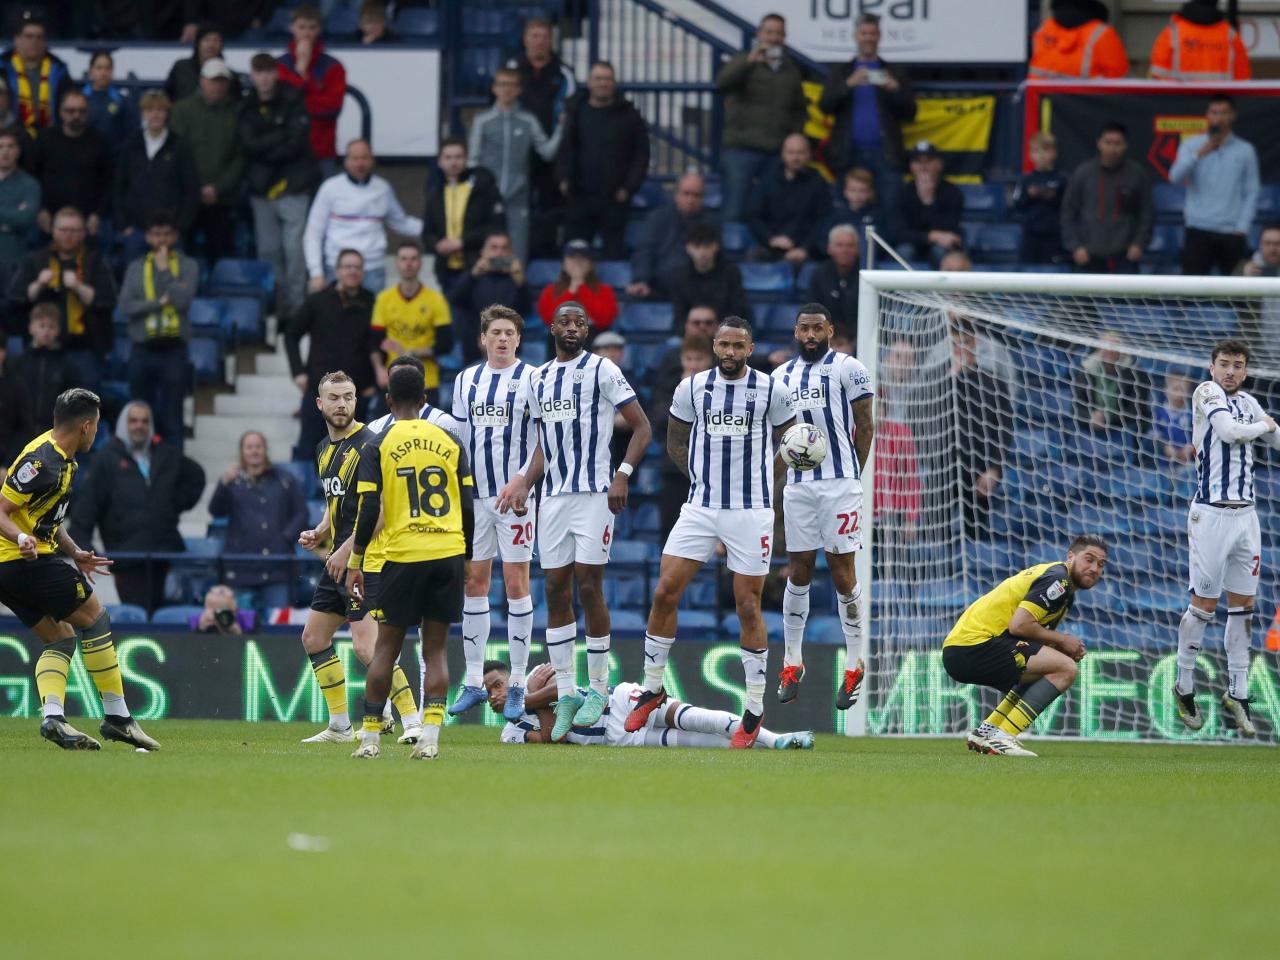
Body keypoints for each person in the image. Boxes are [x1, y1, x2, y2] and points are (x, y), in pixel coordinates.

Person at [623, 316, 794, 747]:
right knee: (665, 591)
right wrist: (701, 478)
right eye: (724, 345)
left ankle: (754, 707)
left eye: (739, 346)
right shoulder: (692, 388)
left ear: (749, 348)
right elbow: (675, 441)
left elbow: (791, 443)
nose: (731, 353)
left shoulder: (772, 389)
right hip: (700, 507)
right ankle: (652, 686)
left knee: (747, 605)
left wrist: (765, 482)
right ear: (714, 346)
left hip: (751, 511)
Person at [498, 301, 652, 740]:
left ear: (588, 329)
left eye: (580, 322)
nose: (572, 327)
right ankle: (566, 691)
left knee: (589, 584)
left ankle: (599, 689)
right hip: (554, 499)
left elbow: (641, 427)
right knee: (555, 588)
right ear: (551, 328)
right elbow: (545, 443)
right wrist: (525, 483)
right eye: (565, 321)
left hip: (594, 495)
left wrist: (622, 475)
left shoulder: (602, 370)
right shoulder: (537, 379)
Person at [0, 387, 160, 751]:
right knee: (95, 617)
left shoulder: (62, 458)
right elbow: (2, 510)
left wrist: (76, 553)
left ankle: (54, 718)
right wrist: (21, 539)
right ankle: (118, 717)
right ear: (87, 426)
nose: (98, 432)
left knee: (61, 638)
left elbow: (46, 519)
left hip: (10, 567)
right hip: (24, 559)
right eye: (98, 425)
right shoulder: (42, 461)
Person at [345, 363, 475, 761]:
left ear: (387, 400)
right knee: (435, 651)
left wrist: (356, 560)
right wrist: (467, 555)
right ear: (424, 400)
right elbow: (468, 505)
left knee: (386, 649)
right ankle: (431, 738)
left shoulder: (376, 443)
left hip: (402, 556)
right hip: (447, 552)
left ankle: (369, 740)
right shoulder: (450, 441)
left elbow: (368, 508)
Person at [295, 370, 422, 745]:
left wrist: (348, 548)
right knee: (314, 638)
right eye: (334, 398)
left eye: (348, 396)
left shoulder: (371, 444)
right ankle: (339, 726)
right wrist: (320, 530)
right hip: (339, 560)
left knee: (369, 648)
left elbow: (383, 509)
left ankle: (412, 720)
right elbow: (337, 504)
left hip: (368, 561)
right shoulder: (323, 450)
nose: (342, 404)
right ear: (320, 403)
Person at [1175, 340, 1280, 737]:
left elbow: (1276, 438)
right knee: (1204, 603)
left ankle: (1238, 692)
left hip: (1246, 517)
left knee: (1245, 606)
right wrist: (1265, 425)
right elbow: (1230, 432)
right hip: (1211, 515)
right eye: (1224, 364)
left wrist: (1269, 427)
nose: (1230, 371)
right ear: (1212, 366)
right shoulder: (1206, 393)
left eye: (1237, 365)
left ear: (1247, 370)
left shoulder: (1250, 401)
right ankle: (1184, 684)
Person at [771, 303, 874, 708]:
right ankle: (792, 662)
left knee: (842, 573)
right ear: (796, 333)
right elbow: (781, 438)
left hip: (840, 485)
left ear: (829, 329)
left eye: (817, 328)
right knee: (797, 571)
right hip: (798, 486)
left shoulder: (848, 368)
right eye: (804, 329)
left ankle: (854, 664)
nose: (811, 335)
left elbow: (865, 424)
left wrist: (852, 476)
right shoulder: (780, 377)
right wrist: (772, 477)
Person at [443, 306, 539, 721]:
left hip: (515, 498)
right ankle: (472, 681)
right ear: (483, 338)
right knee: (473, 582)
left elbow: (544, 440)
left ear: (519, 339)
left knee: (517, 584)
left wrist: (522, 481)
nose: (502, 339)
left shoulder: (533, 379)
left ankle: (517, 682)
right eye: (495, 332)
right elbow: (460, 439)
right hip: (476, 498)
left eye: (509, 333)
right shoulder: (466, 380)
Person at [943, 536, 1107, 757]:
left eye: (1101, 564)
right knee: (1066, 669)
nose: (1094, 568)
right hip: (975, 645)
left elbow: (1032, 640)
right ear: (1071, 556)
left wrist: (1057, 649)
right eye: (1089, 559)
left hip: (962, 648)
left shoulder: (1060, 585)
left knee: (1050, 667)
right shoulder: (1059, 581)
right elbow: (1020, 625)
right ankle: (1003, 737)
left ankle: (987, 731)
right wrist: (1062, 640)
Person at [484, 660, 813, 749]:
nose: (495, 695)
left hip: (620, 701)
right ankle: (774, 744)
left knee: (694, 718)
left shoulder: (534, 677)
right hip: (616, 738)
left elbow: (564, 686)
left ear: (511, 678)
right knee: (699, 743)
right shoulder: (510, 734)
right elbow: (548, 737)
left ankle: (775, 738)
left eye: (498, 685)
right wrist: (531, 701)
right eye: (489, 693)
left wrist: (526, 697)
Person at [68, 400, 205, 613]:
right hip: (128, 558)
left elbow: (196, 477)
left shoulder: (165, 453)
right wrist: (83, 550)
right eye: (133, 421)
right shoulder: (105, 459)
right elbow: (85, 509)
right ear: (124, 424)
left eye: (144, 421)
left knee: (172, 620)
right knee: (140, 621)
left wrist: (172, 506)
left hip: (166, 555)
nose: (139, 426)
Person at [240, 52, 318, 326]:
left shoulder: (293, 98)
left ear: (277, 73)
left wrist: (264, 143)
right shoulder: (246, 103)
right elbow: (247, 144)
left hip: (294, 185)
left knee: (294, 251)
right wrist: (278, 134)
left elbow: (296, 143)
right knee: (269, 252)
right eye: (258, 72)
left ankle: (296, 310)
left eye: (268, 71)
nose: (264, 77)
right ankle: (278, 308)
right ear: (252, 75)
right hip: (262, 189)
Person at [818, 13, 915, 215]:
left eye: (873, 33)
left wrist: (896, 89)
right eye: (864, 33)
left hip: (886, 154)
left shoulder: (895, 71)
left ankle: (884, 248)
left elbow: (911, 113)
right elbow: (824, 107)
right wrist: (847, 85)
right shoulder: (841, 71)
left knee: (891, 211)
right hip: (847, 153)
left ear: (879, 36)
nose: (868, 38)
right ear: (855, 36)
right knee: (844, 213)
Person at [715, 13, 807, 224]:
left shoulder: (791, 70)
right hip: (741, 150)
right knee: (734, 210)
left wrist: (794, 138)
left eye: (778, 33)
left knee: (771, 211)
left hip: (776, 152)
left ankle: (764, 256)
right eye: (769, 32)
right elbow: (723, 83)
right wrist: (749, 61)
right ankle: (732, 254)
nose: (773, 37)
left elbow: (799, 109)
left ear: (784, 37)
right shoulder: (743, 59)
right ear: (759, 34)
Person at [9, 207, 116, 388]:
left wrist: (78, 287)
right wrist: (38, 285)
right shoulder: (36, 259)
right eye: (63, 230)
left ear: (83, 233)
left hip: (83, 348)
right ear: (52, 230)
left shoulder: (95, 261)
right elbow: (16, 297)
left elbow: (108, 300)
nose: (68, 236)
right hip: (43, 349)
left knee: (83, 408)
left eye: (74, 231)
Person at [287, 248, 378, 458]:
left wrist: (373, 383)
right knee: (309, 451)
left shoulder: (372, 303)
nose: (352, 271)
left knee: (355, 457)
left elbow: (377, 345)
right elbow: (291, 335)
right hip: (318, 394)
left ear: (363, 272)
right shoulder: (317, 301)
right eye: (347, 267)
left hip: (356, 397)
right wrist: (298, 372)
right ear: (337, 271)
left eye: (357, 267)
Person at [117, 211, 198, 449]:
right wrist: (158, 303)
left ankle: (171, 474)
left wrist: (164, 271)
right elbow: (126, 306)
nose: (161, 240)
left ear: (175, 236)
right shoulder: (136, 267)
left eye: (166, 234)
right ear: (148, 237)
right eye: (156, 234)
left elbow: (182, 301)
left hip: (174, 350)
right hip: (142, 350)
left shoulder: (188, 265)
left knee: (173, 417)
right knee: (140, 416)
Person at [206, 430, 307, 613]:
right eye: (249, 447)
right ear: (242, 451)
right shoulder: (232, 481)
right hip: (241, 569)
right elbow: (215, 511)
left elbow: (301, 513)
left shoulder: (285, 479)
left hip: (277, 568)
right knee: (239, 628)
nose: (254, 451)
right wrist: (223, 484)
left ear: (265, 450)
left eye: (258, 446)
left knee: (278, 629)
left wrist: (284, 538)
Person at [468, 67, 561, 264]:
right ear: (494, 89)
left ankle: (515, 294)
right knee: (486, 256)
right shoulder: (482, 121)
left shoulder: (528, 120)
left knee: (517, 257)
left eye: (511, 85)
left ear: (519, 90)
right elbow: (473, 161)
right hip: (488, 199)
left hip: (517, 199)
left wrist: (562, 127)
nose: (506, 90)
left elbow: (547, 152)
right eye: (502, 84)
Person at [558, 61, 649, 260]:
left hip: (614, 200)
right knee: (575, 258)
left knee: (613, 258)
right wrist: (564, 178)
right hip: (579, 197)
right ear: (589, 82)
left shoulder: (630, 116)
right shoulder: (576, 112)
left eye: (607, 79)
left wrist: (628, 187)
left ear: (614, 83)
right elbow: (564, 149)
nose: (603, 83)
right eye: (598, 78)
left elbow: (642, 155)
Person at [306, 139, 421, 296]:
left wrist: (437, 229)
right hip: (337, 267)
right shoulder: (330, 188)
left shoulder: (383, 188)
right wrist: (316, 273)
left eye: (364, 158)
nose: (360, 163)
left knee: (372, 319)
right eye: (355, 158)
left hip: (372, 268)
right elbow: (313, 233)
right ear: (346, 161)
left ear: (372, 160)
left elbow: (402, 223)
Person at [505, 17, 576, 260]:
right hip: (517, 152)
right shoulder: (511, 69)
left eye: (544, 36)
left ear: (551, 40)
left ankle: (545, 256)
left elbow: (570, 113)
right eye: (534, 36)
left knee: (550, 206)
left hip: (552, 153)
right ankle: (517, 255)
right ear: (525, 39)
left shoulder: (564, 73)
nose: (539, 42)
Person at [1170, 94, 1259, 277]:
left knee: (1238, 293)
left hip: (1232, 231)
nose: (1219, 118)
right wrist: (1197, 155)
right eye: (1214, 112)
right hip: (1198, 228)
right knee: (1191, 292)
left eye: (1224, 113)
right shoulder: (1191, 145)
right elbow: (1175, 177)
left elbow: (1252, 191)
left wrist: (1242, 227)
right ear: (1207, 115)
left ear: (1233, 116)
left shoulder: (1245, 150)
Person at [169, 58, 243, 262]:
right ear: (202, 80)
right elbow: (176, 153)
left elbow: (239, 157)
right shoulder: (182, 110)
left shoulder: (236, 112)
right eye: (213, 80)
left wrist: (218, 188)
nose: (217, 85)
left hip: (222, 199)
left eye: (221, 81)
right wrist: (195, 187)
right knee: (183, 254)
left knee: (222, 254)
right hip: (187, 198)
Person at [113, 90, 199, 264]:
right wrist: (123, 224)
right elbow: (118, 187)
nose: (155, 114)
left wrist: (180, 227)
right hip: (136, 231)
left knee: (171, 283)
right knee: (135, 284)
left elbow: (191, 189)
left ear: (167, 114)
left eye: (160, 110)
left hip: (170, 232)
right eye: (150, 110)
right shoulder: (130, 145)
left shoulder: (179, 146)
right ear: (143, 113)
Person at [1061, 121, 1153, 274]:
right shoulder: (1083, 173)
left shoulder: (1137, 174)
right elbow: (1068, 213)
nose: (1112, 148)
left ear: (1126, 145)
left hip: (1126, 257)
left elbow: (1147, 213)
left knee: (1127, 299)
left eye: (1118, 143)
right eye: (1108, 142)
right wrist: (1075, 246)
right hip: (1087, 256)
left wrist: (1139, 244)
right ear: (1099, 143)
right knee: (1084, 298)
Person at [370, 241, 453, 406]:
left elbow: (445, 344)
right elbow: (374, 342)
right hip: (391, 380)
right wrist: (379, 369)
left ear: (420, 263)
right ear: (396, 263)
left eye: (413, 259)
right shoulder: (384, 299)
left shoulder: (436, 299)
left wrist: (410, 352)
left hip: (426, 381)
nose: (408, 264)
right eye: (404, 259)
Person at [950, 321, 1012, 540]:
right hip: (943, 469)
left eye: (964, 343)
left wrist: (994, 468)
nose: (960, 349)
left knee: (975, 535)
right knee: (939, 538)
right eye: (955, 344)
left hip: (979, 469)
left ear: (974, 343)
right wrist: (952, 379)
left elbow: (1003, 429)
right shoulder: (939, 382)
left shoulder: (993, 382)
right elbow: (923, 417)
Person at [652, 327, 715, 536]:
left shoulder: (721, 388)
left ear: (710, 360)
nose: (694, 365)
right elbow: (660, 419)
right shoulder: (669, 386)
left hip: (711, 469)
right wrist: (683, 391)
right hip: (675, 469)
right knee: (671, 530)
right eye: (689, 359)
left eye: (699, 359)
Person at [420, 137, 504, 294]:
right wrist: (437, 245)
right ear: (440, 162)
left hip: (477, 266)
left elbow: (496, 227)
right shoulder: (435, 192)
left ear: (466, 159)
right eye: (448, 157)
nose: (453, 162)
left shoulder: (482, 186)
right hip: (445, 269)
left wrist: (462, 242)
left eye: (458, 157)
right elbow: (427, 232)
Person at [27, 89, 112, 238]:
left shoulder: (100, 142)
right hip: (48, 220)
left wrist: (98, 214)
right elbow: (31, 178)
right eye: (70, 111)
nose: (76, 115)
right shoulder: (44, 139)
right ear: (60, 112)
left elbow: (108, 183)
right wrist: (40, 210)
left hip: (88, 223)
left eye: (82, 111)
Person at [277, 4, 346, 173]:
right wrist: (301, 70)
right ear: (292, 28)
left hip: (322, 150)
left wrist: (302, 75)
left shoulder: (334, 67)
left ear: (319, 29)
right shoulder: (280, 65)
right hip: (287, 149)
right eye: (301, 27)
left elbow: (332, 107)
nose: (306, 33)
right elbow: (282, 105)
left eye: (312, 27)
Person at [627, 171, 716, 300]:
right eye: (686, 193)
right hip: (659, 287)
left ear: (703, 198)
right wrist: (641, 280)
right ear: (676, 195)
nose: (690, 199)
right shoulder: (657, 218)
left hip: (696, 292)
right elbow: (645, 251)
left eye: (696, 195)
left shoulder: (711, 224)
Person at [447, 231, 531, 364]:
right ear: (483, 252)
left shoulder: (516, 279)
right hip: (474, 353)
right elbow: (455, 300)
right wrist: (473, 275)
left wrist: (520, 283)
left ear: (511, 253)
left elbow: (527, 310)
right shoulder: (473, 277)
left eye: (504, 248)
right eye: (494, 248)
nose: (499, 253)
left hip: (510, 355)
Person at [746, 133, 830, 265]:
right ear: (783, 154)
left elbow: (823, 221)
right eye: (791, 152)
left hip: (805, 252)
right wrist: (771, 239)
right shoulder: (767, 180)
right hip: (770, 247)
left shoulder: (819, 184)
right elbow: (753, 215)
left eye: (800, 153)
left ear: (809, 155)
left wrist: (804, 248)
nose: (795, 157)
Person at [9, 303, 81, 439]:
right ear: (31, 328)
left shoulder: (66, 365)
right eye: (42, 325)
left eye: (51, 327)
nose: (46, 331)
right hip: (20, 435)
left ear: (58, 330)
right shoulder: (18, 363)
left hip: (53, 435)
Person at [1073, 331, 1151, 455]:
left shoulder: (1137, 374)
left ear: (1122, 350)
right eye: (1105, 347)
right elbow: (1076, 407)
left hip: (1123, 430)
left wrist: (1107, 417)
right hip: (1091, 429)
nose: (1108, 351)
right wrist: (1090, 417)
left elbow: (1136, 411)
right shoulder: (1086, 370)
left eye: (1113, 347)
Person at [667, 221, 748, 332]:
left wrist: (716, 328)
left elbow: (737, 310)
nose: (702, 252)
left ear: (716, 246)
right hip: (691, 334)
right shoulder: (679, 277)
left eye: (707, 246)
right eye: (697, 246)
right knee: (674, 342)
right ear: (688, 248)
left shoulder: (731, 273)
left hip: (724, 332)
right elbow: (679, 316)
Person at [0, 14, 71, 138]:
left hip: (51, 136)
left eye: (39, 37)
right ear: (17, 40)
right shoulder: (2, 67)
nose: (34, 41)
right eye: (29, 36)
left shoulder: (59, 69)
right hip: (9, 137)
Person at [895, 141, 964, 266]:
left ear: (939, 164)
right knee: (904, 251)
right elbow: (898, 233)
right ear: (911, 166)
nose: (923, 167)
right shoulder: (902, 192)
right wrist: (932, 236)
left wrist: (928, 201)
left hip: (940, 247)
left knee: (940, 251)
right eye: (918, 162)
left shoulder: (952, 192)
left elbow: (951, 230)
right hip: (912, 245)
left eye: (928, 161)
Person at [1150, 0, 1250, 82]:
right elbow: (1242, 81)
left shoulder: (1171, 33)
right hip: (1219, 103)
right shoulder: (1230, 36)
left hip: (1180, 102)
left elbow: (1157, 78)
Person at [1028, 1, 1129, 79]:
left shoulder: (1045, 28)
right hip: (1083, 102)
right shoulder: (1102, 33)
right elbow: (1117, 75)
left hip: (1042, 100)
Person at [535, 239, 619, 331]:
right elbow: (550, 320)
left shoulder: (605, 290)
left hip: (592, 337)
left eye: (583, 258)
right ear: (563, 264)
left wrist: (582, 288)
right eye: (572, 258)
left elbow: (605, 320)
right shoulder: (550, 291)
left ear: (591, 265)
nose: (577, 263)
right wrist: (571, 290)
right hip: (560, 338)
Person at [1012, 131, 1068, 264]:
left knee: (1052, 274)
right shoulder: (1026, 179)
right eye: (1036, 151)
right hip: (1030, 234)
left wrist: (1053, 197)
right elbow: (1017, 204)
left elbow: (1068, 206)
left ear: (1054, 153)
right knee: (1027, 272)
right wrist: (1030, 195)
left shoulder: (1061, 179)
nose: (1041, 155)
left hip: (1054, 235)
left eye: (1046, 150)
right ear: (1031, 155)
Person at [805, 225, 860, 336]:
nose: (845, 250)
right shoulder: (819, 274)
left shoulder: (870, 275)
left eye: (850, 245)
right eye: (839, 245)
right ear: (829, 248)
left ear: (858, 249)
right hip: (826, 338)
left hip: (862, 339)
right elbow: (812, 313)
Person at [813, 167, 880, 257]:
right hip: (834, 262)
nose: (857, 195)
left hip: (866, 261)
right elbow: (822, 242)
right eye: (853, 190)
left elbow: (882, 244)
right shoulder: (834, 214)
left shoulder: (878, 215)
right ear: (845, 191)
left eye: (862, 190)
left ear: (870, 192)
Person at [165, 22, 238, 104]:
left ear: (221, 45)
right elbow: (167, 97)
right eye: (207, 40)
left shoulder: (229, 75)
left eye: (216, 40)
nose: (211, 45)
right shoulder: (181, 68)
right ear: (198, 43)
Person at [0, 128, 38, 277]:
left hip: (15, 257)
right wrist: (12, 214)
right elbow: (18, 217)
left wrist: (18, 217)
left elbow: (25, 218)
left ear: (18, 151)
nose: (5, 152)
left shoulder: (30, 184)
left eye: (10, 146)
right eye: (0, 146)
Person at [81, 51, 136, 150]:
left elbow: (129, 135)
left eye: (107, 68)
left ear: (112, 71)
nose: (103, 73)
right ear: (91, 71)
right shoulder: (80, 99)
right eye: (99, 68)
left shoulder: (121, 101)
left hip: (113, 160)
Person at [1154, 372, 1196, 468]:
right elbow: (1154, 434)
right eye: (1175, 389)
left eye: (1183, 390)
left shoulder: (1194, 413)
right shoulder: (1159, 411)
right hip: (1163, 461)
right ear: (1165, 390)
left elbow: (1200, 436)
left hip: (1187, 461)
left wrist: (1190, 448)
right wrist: (1164, 447)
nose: (1179, 394)